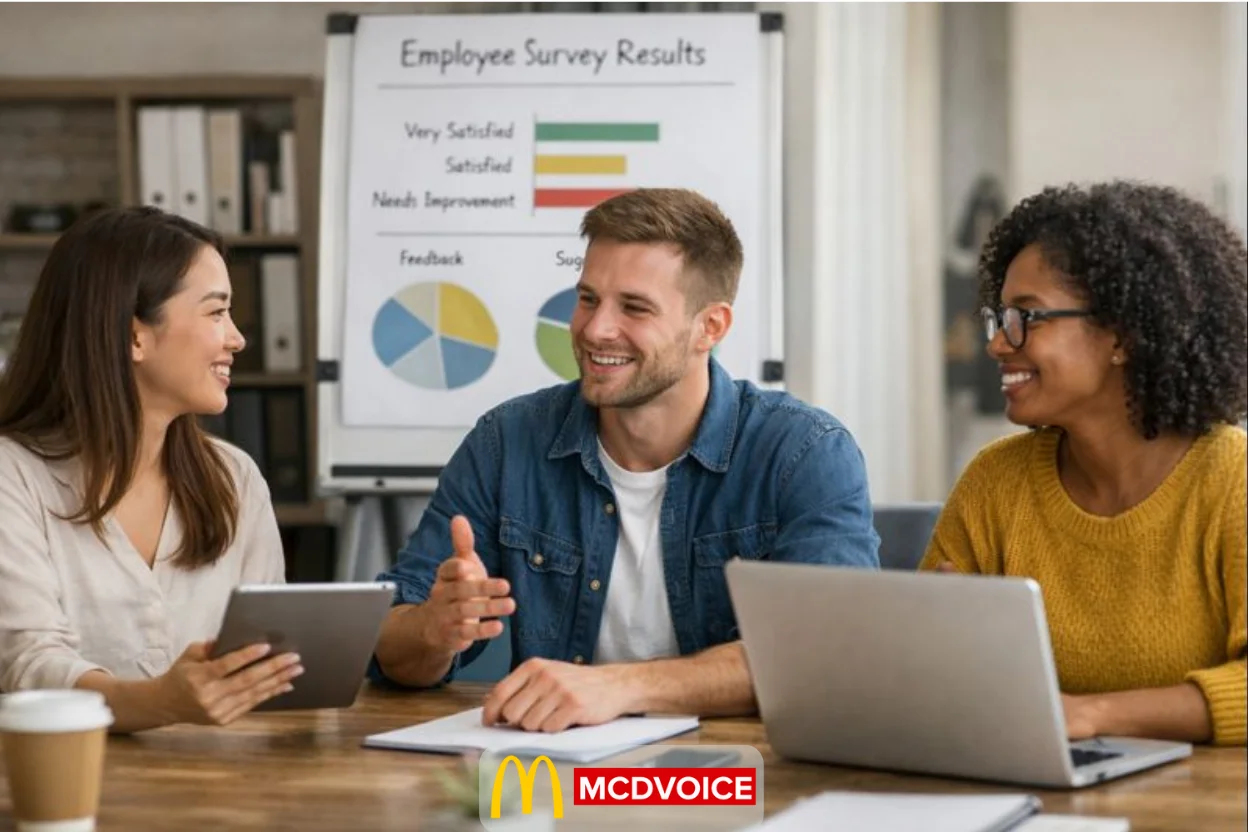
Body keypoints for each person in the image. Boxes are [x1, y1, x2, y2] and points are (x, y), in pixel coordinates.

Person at [372, 188, 880, 731]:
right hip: (553, 781)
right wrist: (434, 629)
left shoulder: (803, 452)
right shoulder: (506, 442)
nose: (594, 329)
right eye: (588, 298)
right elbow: (389, 651)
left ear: (710, 327)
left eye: (633, 307)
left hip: (735, 782)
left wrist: (621, 686)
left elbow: (826, 654)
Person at [921, 181, 1247, 747]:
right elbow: (922, 674)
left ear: (1121, 336)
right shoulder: (996, 482)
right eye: (999, 318)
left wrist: (1092, 715)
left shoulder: (1232, 481)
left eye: (1027, 316)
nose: (998, 344)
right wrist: (936, 637)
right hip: (1028, 792)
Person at [0, 206, 302, 733]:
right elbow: (26, 663)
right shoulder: (14, 475)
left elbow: (265, 660)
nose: (237, 339)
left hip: (228, 792)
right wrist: (160, 702)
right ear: (133, 336)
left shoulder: (236, 478)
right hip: (73, 790)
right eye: (215, 313)